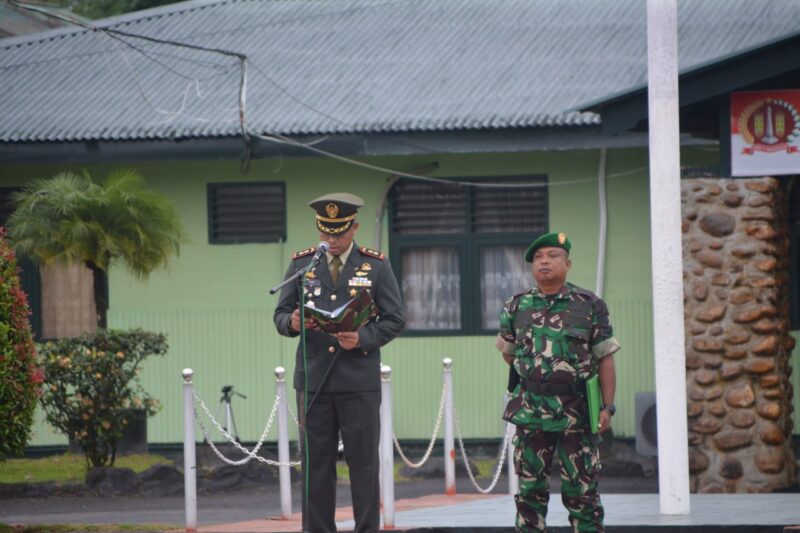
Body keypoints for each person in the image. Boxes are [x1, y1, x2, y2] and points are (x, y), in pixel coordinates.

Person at [273, 192, 405, 533]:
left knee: (362, 466)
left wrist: (362, 338)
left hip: (357, 380)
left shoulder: (375, 265)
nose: (331, 240)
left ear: (354, 227)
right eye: (326, 232)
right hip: (314, 380)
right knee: (316, 466)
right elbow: (281, 314)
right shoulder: (304, 265)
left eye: (339, 232)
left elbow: (395, 319)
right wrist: (293, 323)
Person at [496, 232, 619, 533]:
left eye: (552, 256)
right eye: (538, 258)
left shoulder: (589, 305)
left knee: (583, 494)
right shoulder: (516, 306)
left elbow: (605, 358)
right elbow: (509, 354)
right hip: (531, 414)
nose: (544, 262)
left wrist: (607, 407)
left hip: (576, 414)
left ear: (568, 263)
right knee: (529, 495)